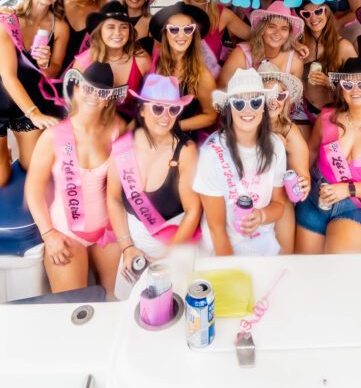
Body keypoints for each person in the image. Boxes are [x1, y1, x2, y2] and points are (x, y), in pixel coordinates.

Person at [25, 62, 126, 295]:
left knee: (115, 299)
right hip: (66, 232)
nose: (93, 96)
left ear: (109, 99)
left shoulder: (116, 128)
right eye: (88, 88)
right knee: (71, 306)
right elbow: (33, 188)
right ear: (77, 89)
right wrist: (49, 234)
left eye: (101, 92)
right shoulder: (52, 136)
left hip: (106, 230)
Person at [295, 58, 361, 254]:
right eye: (348, 84)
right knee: (304, 267)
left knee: (338, 267)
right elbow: (310, 151)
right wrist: (302, 175)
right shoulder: (326, 118)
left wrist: (348, 189)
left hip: (358, 207)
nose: (356, 89)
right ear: (341, 90)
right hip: (316, 198)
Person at [107, 74, 201, 276]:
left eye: (173, 109)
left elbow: (193, 210)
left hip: (174, 250)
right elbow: (113, 198)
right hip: (134, 252)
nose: (166, 116)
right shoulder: (123, 147)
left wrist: (166, 257)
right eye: (158, 108)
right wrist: (127, 248)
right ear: (141, 109)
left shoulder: (186, 151)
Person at [193, 68, 287, 256]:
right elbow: (216, 228)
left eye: (255, 102)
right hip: (221, 249)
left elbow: (278, 204)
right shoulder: (211, 153)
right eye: (238, 103)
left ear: (263, 107)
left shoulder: (276, 146)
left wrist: (261, 215)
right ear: (229, 108)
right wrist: (231, 271)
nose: (247, 109)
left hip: (262, 242)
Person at [0, 0, 73, 185]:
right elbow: (8, 75)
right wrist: (34, 114)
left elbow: (54, 72)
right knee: (1, 178)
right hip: (2, 98)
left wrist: (44, 65)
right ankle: (4, 153)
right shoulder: (6, 20)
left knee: (34, 167)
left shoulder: (59, 27)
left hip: (31, 98)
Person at [258, 62, 310, 253]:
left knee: (285, 256)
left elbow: (303, 172)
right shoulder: (241, 125)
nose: (274, 101)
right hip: (245, 193)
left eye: (280, 95)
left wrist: (304, 182)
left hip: (278, 196)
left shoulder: (289, 131)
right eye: (267, 95)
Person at [148, 2, 218, 138]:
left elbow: (211, 116)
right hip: (151, 135)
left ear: (193, 34)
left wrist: (171, 127)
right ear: (165, 33)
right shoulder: (153, 62)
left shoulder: (202, 75)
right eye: (174, 29)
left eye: (187, 29)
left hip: (180, 138)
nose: (181, 35)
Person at [72, 1, 151, 122]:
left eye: (123, 27)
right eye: (110, 27)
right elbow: (75, 104)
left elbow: (150, 102)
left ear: (130, 31)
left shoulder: (142, 60)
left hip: (131, 123)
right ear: (100, 31)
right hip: (93, 123)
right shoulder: (84, 61)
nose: (117, 33)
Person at [179, 0, 251, 78]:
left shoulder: (222, 14)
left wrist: (239, 54)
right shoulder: (174, 13)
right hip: (180, 83)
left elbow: (255, 37)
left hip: (211, 85)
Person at [297, 0, 357, 135]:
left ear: (327, 12)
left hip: (335, 112)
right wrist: (295, 44)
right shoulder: (300, 43)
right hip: (304, 110)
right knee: (306, 153)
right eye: (307, 14)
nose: (313, 18)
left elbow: (359, 83)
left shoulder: (343, 46)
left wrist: (329, 82)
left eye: (318, 11)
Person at [218, 1, 305, 87]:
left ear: (288, 34)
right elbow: (222, 89)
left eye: (284, 29)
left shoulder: (295, 60)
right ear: (262, 29)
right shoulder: (242, 53)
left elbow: (294, 97)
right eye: (272, 26)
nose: (277, 33)